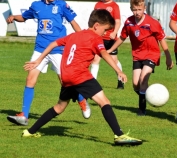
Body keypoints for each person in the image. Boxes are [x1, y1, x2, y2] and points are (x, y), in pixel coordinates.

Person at [21, 9, 142, 146]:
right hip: (79, 75)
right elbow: (105, 54)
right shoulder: (95, 38)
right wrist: (119, 71)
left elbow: (53, 44)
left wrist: (38, 60)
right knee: (104, 102)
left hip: (66, 76)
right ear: (96, 25)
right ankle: (119, 135)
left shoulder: (75, 35)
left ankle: (29, 132)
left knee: (59, 107)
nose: (104, 34)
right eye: (105, 30)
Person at [6, 0, 90, 126]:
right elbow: (25, 17)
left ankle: (82, 99)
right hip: (40, 49)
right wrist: (13, 16)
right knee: (30, 79)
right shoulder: (36, 6)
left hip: (58, 49)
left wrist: (83, 37)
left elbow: (73, 23)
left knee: (66, 82)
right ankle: (24, 115)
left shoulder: (62, 5)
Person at [107, 0, 173, 116]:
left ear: (144, 8)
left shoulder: (152, 23)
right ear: (131, 9)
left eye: (139, 9)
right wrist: (111, 49)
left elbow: (162, 39)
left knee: (143, 79)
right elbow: (122, 37)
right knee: (135, 84)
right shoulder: (129, 22)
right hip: (137, 55)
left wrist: (168, 57)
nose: (137, 12)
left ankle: (141, 110)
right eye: (134, 10)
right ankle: (150, 96)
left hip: (152, 54)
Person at [91, 0, 124, 89]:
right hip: (98, 38)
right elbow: (94, 20)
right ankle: (93, 84)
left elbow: (118, 21)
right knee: (95, 59)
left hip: (110, 39)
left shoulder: (114, 6)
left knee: (113, 60)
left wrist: (114, 32)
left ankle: (120, 80)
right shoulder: (98, 5)